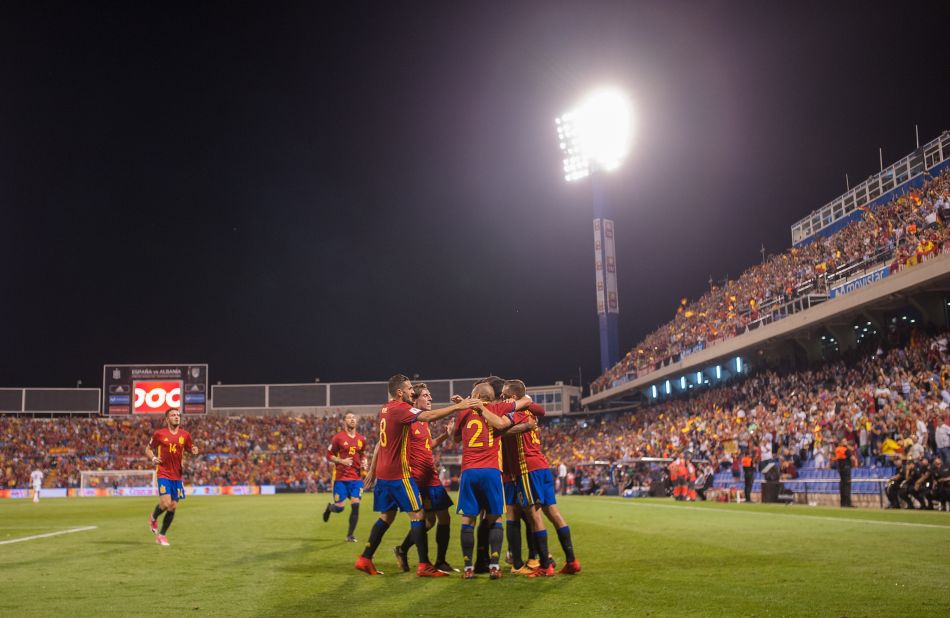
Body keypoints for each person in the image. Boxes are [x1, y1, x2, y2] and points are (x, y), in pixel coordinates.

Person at [355, 374, 478, 577]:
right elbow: (382, 442)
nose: (413, 392)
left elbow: (415, 443)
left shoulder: (386, 409)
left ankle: (365, 558)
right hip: (401, 474)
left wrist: (374, 470)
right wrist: (459, 406)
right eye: (410, 389)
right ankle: (423, 565)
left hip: (389, 475)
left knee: (387, 516)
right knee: (419, 516)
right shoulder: (402, 410)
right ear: (400, 392)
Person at [455, 382, 536, 580]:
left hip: (469, 471)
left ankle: (467, 568)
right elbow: (528, 400)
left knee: (468, 519)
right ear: (491, 398)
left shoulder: (464, 412)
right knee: (495, 518)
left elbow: (456, 437)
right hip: (491, 471)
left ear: (475, 395)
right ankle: (494, 566)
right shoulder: (498, 408)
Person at [502, 379, 581, 577]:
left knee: (534, 516)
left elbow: (501, 430)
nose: (502, 398)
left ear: (513, 397)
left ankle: (545, 565)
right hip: (543, 466)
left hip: (527, 469)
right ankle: (572, 561)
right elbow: (539, 409)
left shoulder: (513, 414)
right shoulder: (530, 411)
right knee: (553, 513)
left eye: (504, 395)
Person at [391, 383, 458, 575]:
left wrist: (446, 434)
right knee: (428, 521)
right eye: (426, 395)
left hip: (432, 477)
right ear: (415, 399)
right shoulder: (409, 420)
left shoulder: (423, 422)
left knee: (442, 518)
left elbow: (428, 446)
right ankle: (405, 551)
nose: (430, 399)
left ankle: (440, 561)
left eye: (430, 395)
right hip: (418, 479)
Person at [145, 408, 198, 546]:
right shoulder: (159, 434)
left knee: (173, 506)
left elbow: (190, 448)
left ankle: (162, 535)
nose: (176, 417)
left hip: (177, 475)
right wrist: (153, 458)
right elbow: (148, 449)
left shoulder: (185, 435)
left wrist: (194, 450)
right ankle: (153, 517)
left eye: (177, 415)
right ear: (167, 419)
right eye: (173, 415)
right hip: (163, 472)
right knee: (167, 502)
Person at [322, 412, 367, 542]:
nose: (352, 419)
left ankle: (350, 535)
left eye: (354, 417)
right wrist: (342, 461)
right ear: (344, 422)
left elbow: (363, 454)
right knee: (339, 508)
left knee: (356, 505)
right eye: (349, 417)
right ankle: (329, 508)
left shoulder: (361, 439)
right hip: (341, 479)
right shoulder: (338, 438)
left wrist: (364, 461)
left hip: (356, 479)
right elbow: (329, 455)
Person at [834, 438, 857, 508]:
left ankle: (843, 503)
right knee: (847, 486)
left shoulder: (837, 449)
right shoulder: (845, 449)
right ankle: (848, 503)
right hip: (846, 469)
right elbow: (853, 458)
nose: (846, 442)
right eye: (844, 441)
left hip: (840, 469)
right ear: (842, 442)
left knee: (842, 485)